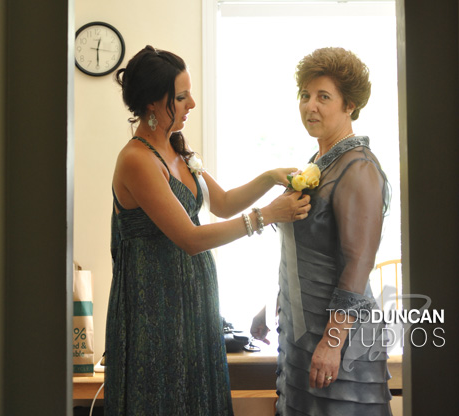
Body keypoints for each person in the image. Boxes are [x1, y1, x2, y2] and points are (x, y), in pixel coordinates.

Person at [104, 45, 310, 416]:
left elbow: (224, 203)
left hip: (194, 304)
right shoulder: (137, 159)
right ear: (152, 103)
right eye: (181, 97)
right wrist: (267, 215)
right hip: (156, 310)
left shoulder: (178, 150)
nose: (192, 104)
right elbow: (190, 239)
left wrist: (269, 177)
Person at [251, 46, 392, 415]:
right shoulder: (319, 163)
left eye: (323, 97)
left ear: (350, 105)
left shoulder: (358, 168)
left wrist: (332, 342)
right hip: (302, 331)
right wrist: (273, 305)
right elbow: (306, 251)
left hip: (339, 340)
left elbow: (358, 264)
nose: (310, 106)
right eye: (305, 95)